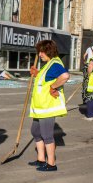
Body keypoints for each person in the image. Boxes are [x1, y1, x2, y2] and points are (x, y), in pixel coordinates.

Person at [28, 40, 70, 172]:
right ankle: (41, 159)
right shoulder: (48, 64)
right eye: (39, 52)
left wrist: (53, 86)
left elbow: (65, 76)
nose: (39, 54)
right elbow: (45, 79)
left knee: (47, 135)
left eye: (42, 51)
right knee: (35, 131)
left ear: (49, 51)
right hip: (40, 108)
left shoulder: (55, 63)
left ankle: (51, 163)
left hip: (47, 107)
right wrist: (37, 74)